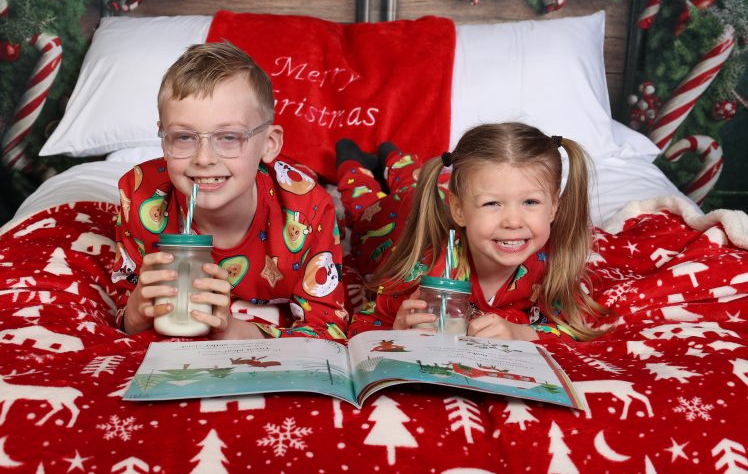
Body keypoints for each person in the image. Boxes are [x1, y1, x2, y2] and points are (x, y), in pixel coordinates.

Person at [111, 41, 348, 340]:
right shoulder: (140, 194)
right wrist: (135, 312)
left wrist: (230, 329)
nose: (204, 158)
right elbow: (124, 305)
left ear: (268, 144)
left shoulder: (310, 211)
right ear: (163, 140)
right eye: (184, 137)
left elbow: (328, 327)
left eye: (228, 137)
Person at [336, 122, 609, 341]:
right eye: (493, 203)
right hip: (388, 222)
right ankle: (351, 158)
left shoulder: (553, 262)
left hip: (447, 193)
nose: (513, 221)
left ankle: (392, 155)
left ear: (553, 208)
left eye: (530, 202)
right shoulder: (428, 271)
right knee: (366, 204)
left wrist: (521, 332)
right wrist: (397, 329)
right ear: (459, 211)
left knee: (414, 176)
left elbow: (572, 327)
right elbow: (363, 322)